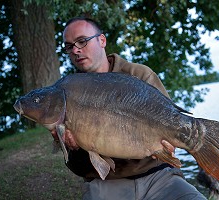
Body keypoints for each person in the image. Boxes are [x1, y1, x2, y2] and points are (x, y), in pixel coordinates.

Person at [54, 16, 206, 200]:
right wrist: (75, 148)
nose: (76, 50)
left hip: (158, 177)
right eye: (69, 46)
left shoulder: (138, 74)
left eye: (82, 41)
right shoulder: (66, 95)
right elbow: (78, 168)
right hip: (107, 184)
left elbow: (170, 124)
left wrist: (171, 146)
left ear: (102, 40)